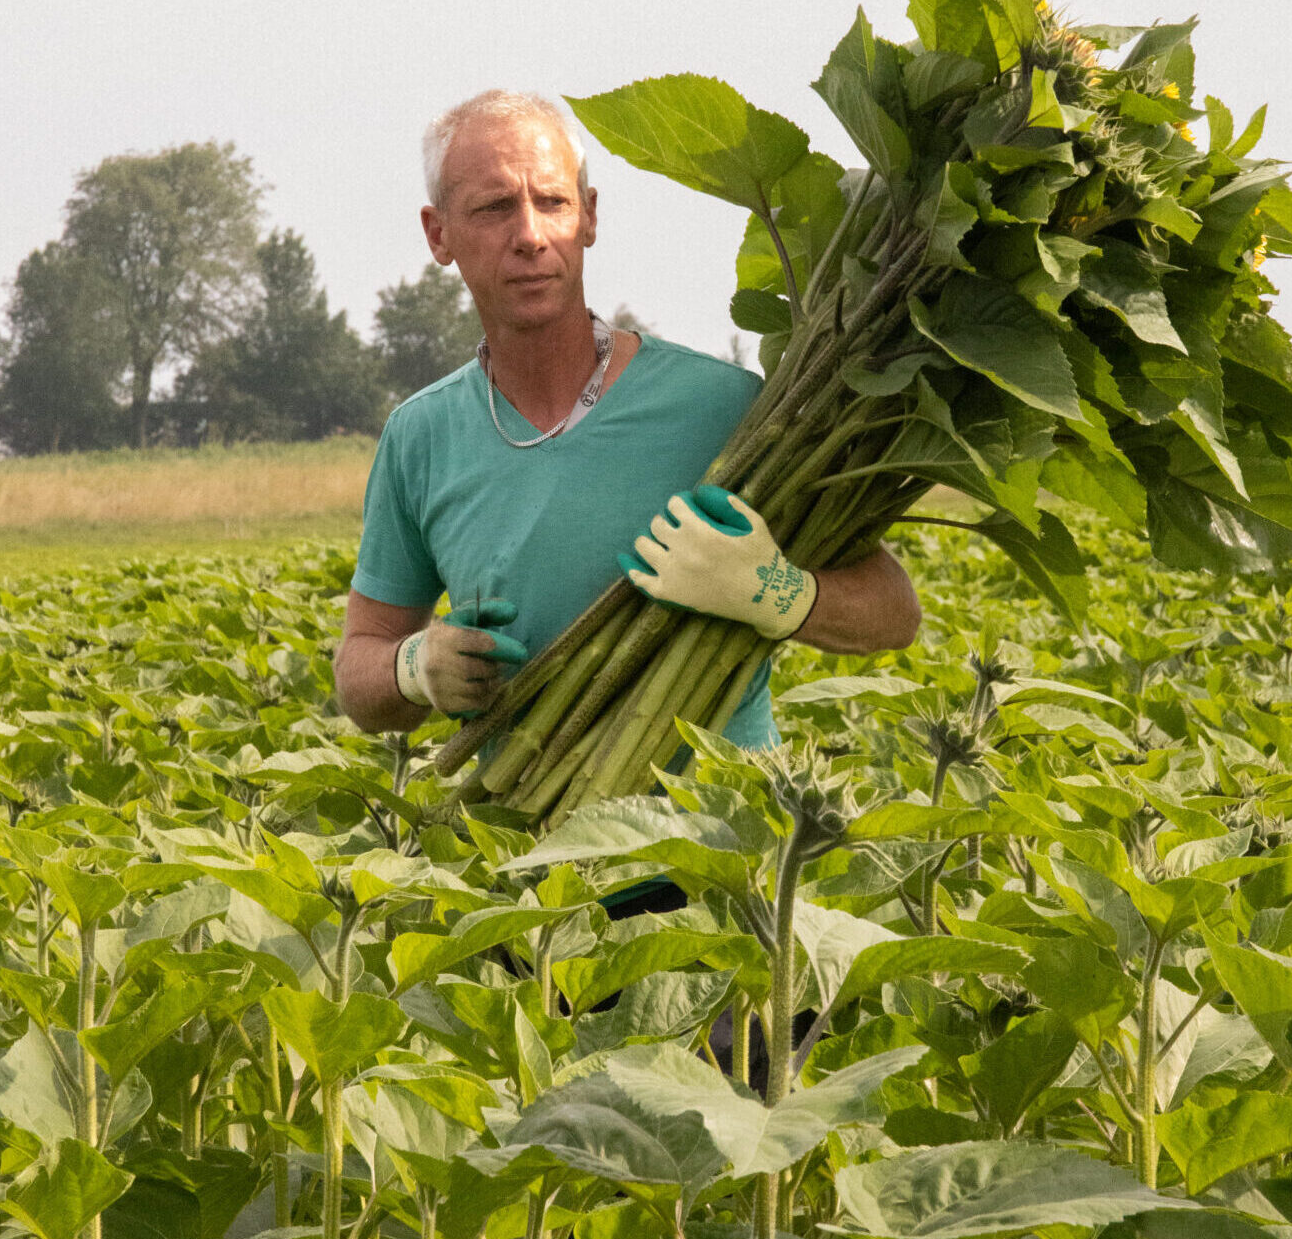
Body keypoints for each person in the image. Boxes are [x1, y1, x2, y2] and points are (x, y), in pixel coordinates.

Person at [334, 90, 920, 749]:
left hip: (727, 835)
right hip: (518, 840)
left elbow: (893, 612)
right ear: (438, 233)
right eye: (496, 208)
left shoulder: (728, 406)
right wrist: (415, 667)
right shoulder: (423, 436)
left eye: (552, 202)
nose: (530, 235)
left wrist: (776, 594)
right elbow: (360, 664)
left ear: (588, 216)